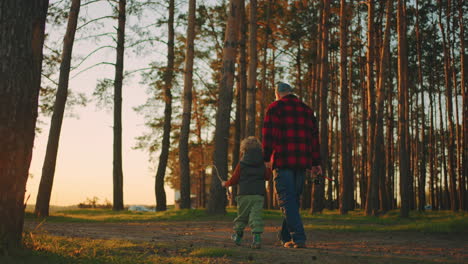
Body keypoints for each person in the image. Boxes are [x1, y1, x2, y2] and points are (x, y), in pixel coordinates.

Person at [262, 82, 321, 249]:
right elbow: (314, 139)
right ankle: (285, 236)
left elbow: (268, 135)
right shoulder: (307, 110)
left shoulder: (275, 107)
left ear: (278, 94)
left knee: (287, 200)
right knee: (292, 200)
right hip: (301, 163)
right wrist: (316, 163)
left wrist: (266, 158)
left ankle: (299, 238)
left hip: (283, 160)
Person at [221, 136, 272, 249]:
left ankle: (238, 237)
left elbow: (235, 179)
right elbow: (267, 177)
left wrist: (226, 183)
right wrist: (268, 168)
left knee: (242, 217)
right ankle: (256, 239)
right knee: (256, 217)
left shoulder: (242, 164)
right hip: (258, 195)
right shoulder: (262, 163)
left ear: (244, 149)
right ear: (259, 149)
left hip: (244, 194)